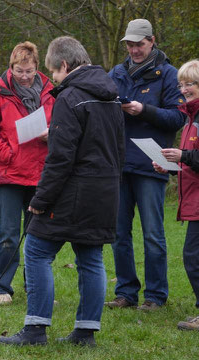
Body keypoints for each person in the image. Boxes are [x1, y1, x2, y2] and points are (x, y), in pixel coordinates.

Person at [0, 36, 124, 347]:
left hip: (73, 192)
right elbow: (114, 149)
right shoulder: (112, 97)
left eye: (53, 71)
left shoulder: (69, 97)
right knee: (91, 258)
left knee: (37, 251)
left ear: (65, 65)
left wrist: (41, 200)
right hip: (105, 191)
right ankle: (85, 333)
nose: (52, 77)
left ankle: (35, 329)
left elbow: (61, 158)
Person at [105, 19, 185, 311]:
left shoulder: (169, 75)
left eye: (139, 44)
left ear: (152, 40)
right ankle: (125, 292)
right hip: (120, 163)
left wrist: (144, 110)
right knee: (118, 233)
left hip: (154, 164)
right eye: (129, 44)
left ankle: (155, 296)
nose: (134, 50)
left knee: (153, 234)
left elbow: (178, 118)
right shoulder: (116, 72)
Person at [0, 41, 55, 305]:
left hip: (41, 173)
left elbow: (64, 123)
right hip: (9, 175)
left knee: (38, 235)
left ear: (36, 68)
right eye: (20, 71)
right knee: (9, 234)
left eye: (29, 71)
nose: (24, 76)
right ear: (11, 67)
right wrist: (7, 153)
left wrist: (52, 135)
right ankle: (2, 288)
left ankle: (36, 288)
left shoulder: (51, 90)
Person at [153, 59, 199, 330]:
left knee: (193, 257)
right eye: (181, 84)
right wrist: (171, 167)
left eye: (191, 83)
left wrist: (183, 156)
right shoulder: (189, 117)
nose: (185, 89)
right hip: (193, 198)